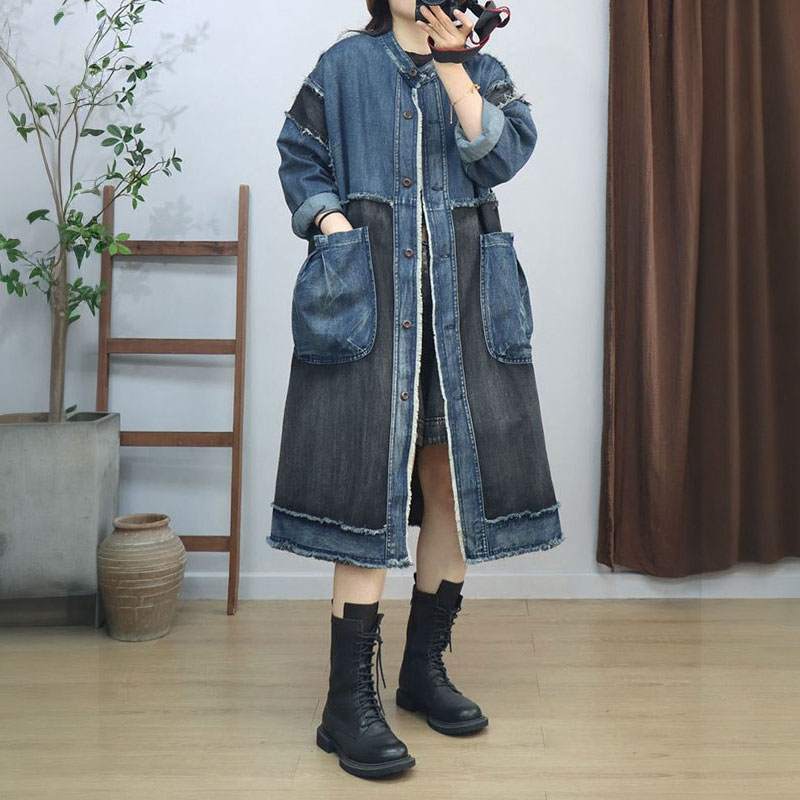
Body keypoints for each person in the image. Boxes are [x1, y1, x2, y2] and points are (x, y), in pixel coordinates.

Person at [269, 0, 565, 779]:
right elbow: (299, 154)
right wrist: (331, 224)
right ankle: (346, 704)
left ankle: (421, 673)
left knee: (451, 482)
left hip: (461, 305)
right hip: (371, 302)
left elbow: (500, 155)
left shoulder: (482, 70)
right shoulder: (344, 68)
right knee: (367, 481)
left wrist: (454, 65)